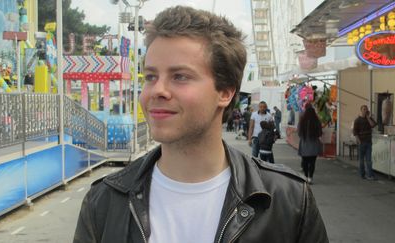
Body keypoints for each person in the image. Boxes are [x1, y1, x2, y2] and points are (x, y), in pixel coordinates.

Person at [74, 6, 328, 243]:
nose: (157, 91)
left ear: (225, 92)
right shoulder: (104, 202)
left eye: (180, 76)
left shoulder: (287, 200)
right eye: (151, 76)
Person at [298, 104, 323, 184]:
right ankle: (310, 177)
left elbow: (299, 133)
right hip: (314, 145)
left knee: (305, 162)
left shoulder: (302, 121)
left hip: (304, 144)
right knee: (312, 163)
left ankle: (305, 176)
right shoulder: (317, 121)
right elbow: (320, 133)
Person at [353, 105, 377, 180]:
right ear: (361, 110)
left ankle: (370, 175)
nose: (365, 110)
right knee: (361, 160)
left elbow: (373, 125)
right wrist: (358, 140)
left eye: (366, 109)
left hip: (368, 142)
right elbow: (355, 131)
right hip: (361, 142)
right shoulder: (357, 120)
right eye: (364, 109)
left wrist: (368, 117)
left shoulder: (369, 118)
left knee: (369, 160)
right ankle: (362, 174)